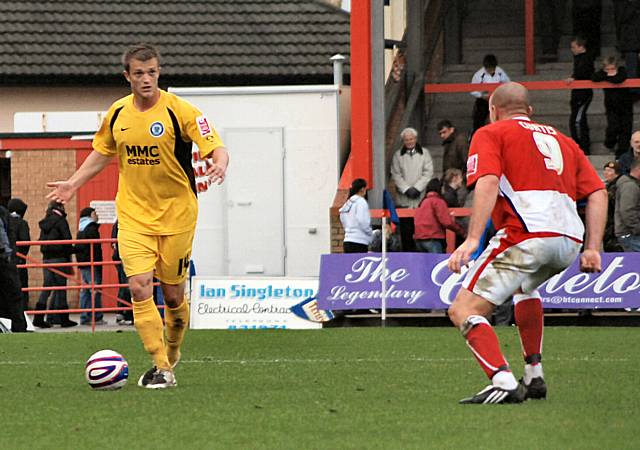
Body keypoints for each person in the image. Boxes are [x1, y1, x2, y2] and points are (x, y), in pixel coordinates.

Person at [46, 43, 229, 389]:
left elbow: (214, 144)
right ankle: (160, 366)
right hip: (133, 216)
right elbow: (101, 153)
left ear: (159, 73)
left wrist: (219, 161)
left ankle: (172, 354)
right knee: (139, 286)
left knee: (173, 296)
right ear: (127, 76)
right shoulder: (117, 114)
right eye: (140, 73)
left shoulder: (181, 111)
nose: (147, 79)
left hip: (177, 215)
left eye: (153, 72)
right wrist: (72, 183)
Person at [447, 82, 607, 404]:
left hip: (527, 235)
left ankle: (503, 380)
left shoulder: (491, 133)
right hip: (568, 241)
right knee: (525, 289)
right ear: (530, 112)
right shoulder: (564, 141)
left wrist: (473, 239)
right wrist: (593, 247)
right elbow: (598, 191)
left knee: (463, 309)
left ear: (493, 111)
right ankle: (534, 374)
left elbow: (488, 181)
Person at [390, 127, 434, 251]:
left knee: (421, 231)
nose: (409, 142)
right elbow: (396, 174)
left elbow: (428, 172)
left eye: (411, 139)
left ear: (415, 139)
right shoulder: (397, 156)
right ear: (403, 141)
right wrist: (406, 189)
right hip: (404, 200)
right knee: (406, 232)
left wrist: (417, 188)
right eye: (406, 140)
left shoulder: (425, 154)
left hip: (420, 199)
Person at [34, 201, 76, 328]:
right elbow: (67, 240)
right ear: (60, 208)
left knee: (46, 288)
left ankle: (38, 317)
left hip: (46, 259)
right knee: (61, 288)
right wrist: (77, 249)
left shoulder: (45, 223)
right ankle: (63, 319)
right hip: (59, 259)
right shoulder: (61, 221)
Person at [591, 56, 633, 158]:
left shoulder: (622, 71)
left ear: (617, 67)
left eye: (612, 69)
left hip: (625, 105)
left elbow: (619, 79)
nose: (610, 71)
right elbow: (594, 78)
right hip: (611, 106)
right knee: (613, 127)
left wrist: (607, 77)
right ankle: (609, 144)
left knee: (625, 129)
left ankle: (621, 153)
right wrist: (607, 75)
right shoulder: (602, 73)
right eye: (607, 69)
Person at [414, 178, 466, 253]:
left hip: (419, 239)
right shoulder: (438, 201)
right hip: (433, 238)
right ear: (439, 188)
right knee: (437, 263)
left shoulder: (422, 202)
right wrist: (461, 231)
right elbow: (447, 222)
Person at [75, 207, 105, 325]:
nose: (96, 215)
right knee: (94, 289)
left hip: (83, 263)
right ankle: (95, 316)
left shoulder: (81, 229)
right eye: (94, 213)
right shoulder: (91, 229)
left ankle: (84, 316)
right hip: (92, 262)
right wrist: (98, 262)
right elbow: (95, 248)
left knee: (86, 290)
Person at [566, 36, 595, 155]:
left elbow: (584, 73)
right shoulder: (577, 58)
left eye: (574, 47)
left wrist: (574, 78)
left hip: (583, 94)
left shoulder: (587, 59)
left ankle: (583, 148)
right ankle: (579, 146)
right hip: (577, 94)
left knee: (577, 121)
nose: (572, 49)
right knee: (576, 120)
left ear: (581, 47)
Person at [0, 206, 27, 332]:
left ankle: (19, 327)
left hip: (6, 259)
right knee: (15, 294)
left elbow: (10, 237)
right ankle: (19, 326)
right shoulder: (5, 214)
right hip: (6, 259)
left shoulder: (4, 213)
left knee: (14, 294)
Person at [470, 54, 511, 135]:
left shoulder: (500, 72)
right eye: (489, 68)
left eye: (493, 68)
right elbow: (472, 90)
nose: (492, 70)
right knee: (479, 120)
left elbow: (507, 83)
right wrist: (481, 95)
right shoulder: (479, 75)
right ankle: (475, 136)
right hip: (483, 100)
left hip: (497, 99)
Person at [7, 198, 31, 311]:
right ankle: (22, 313)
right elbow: (25, 242)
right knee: (21, 288)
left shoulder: (5, 222)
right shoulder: (22, 223)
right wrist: (21, 255)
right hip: (19, 261)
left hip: (6, 260)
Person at [339, 178, 373, 253]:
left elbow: (342, 217)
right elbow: (363, 221)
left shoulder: (348, 202)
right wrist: (370, 233)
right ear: (362, 189)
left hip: (347, 240)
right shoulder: (361, 202)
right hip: (360, 241)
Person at [613, 0, 640, 90]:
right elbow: (620, 19)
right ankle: (633, 91)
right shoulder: (624, 4)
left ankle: (634, 91)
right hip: (630, 41)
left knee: (632, 69)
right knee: (632, 70)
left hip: (630, 40)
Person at [614, 159, 640, 251]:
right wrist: (637, 228)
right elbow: (627, 211)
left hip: (629, 233)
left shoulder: (629, 185)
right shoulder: (630, 186)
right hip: (631, 234)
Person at [111, 219, 133, 324]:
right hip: (126, 258)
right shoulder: (124, 222)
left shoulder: (118, 222)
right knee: (127, 286)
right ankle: (127, 313)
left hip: (121, 257)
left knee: (124, 285)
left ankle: (122, 313)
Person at [603, 161, 624, 252]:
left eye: (610, 171)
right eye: (605, 170)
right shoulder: (607, 186)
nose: (606, 173)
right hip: (608, 226)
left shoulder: (619, 186)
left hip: (615, 226)